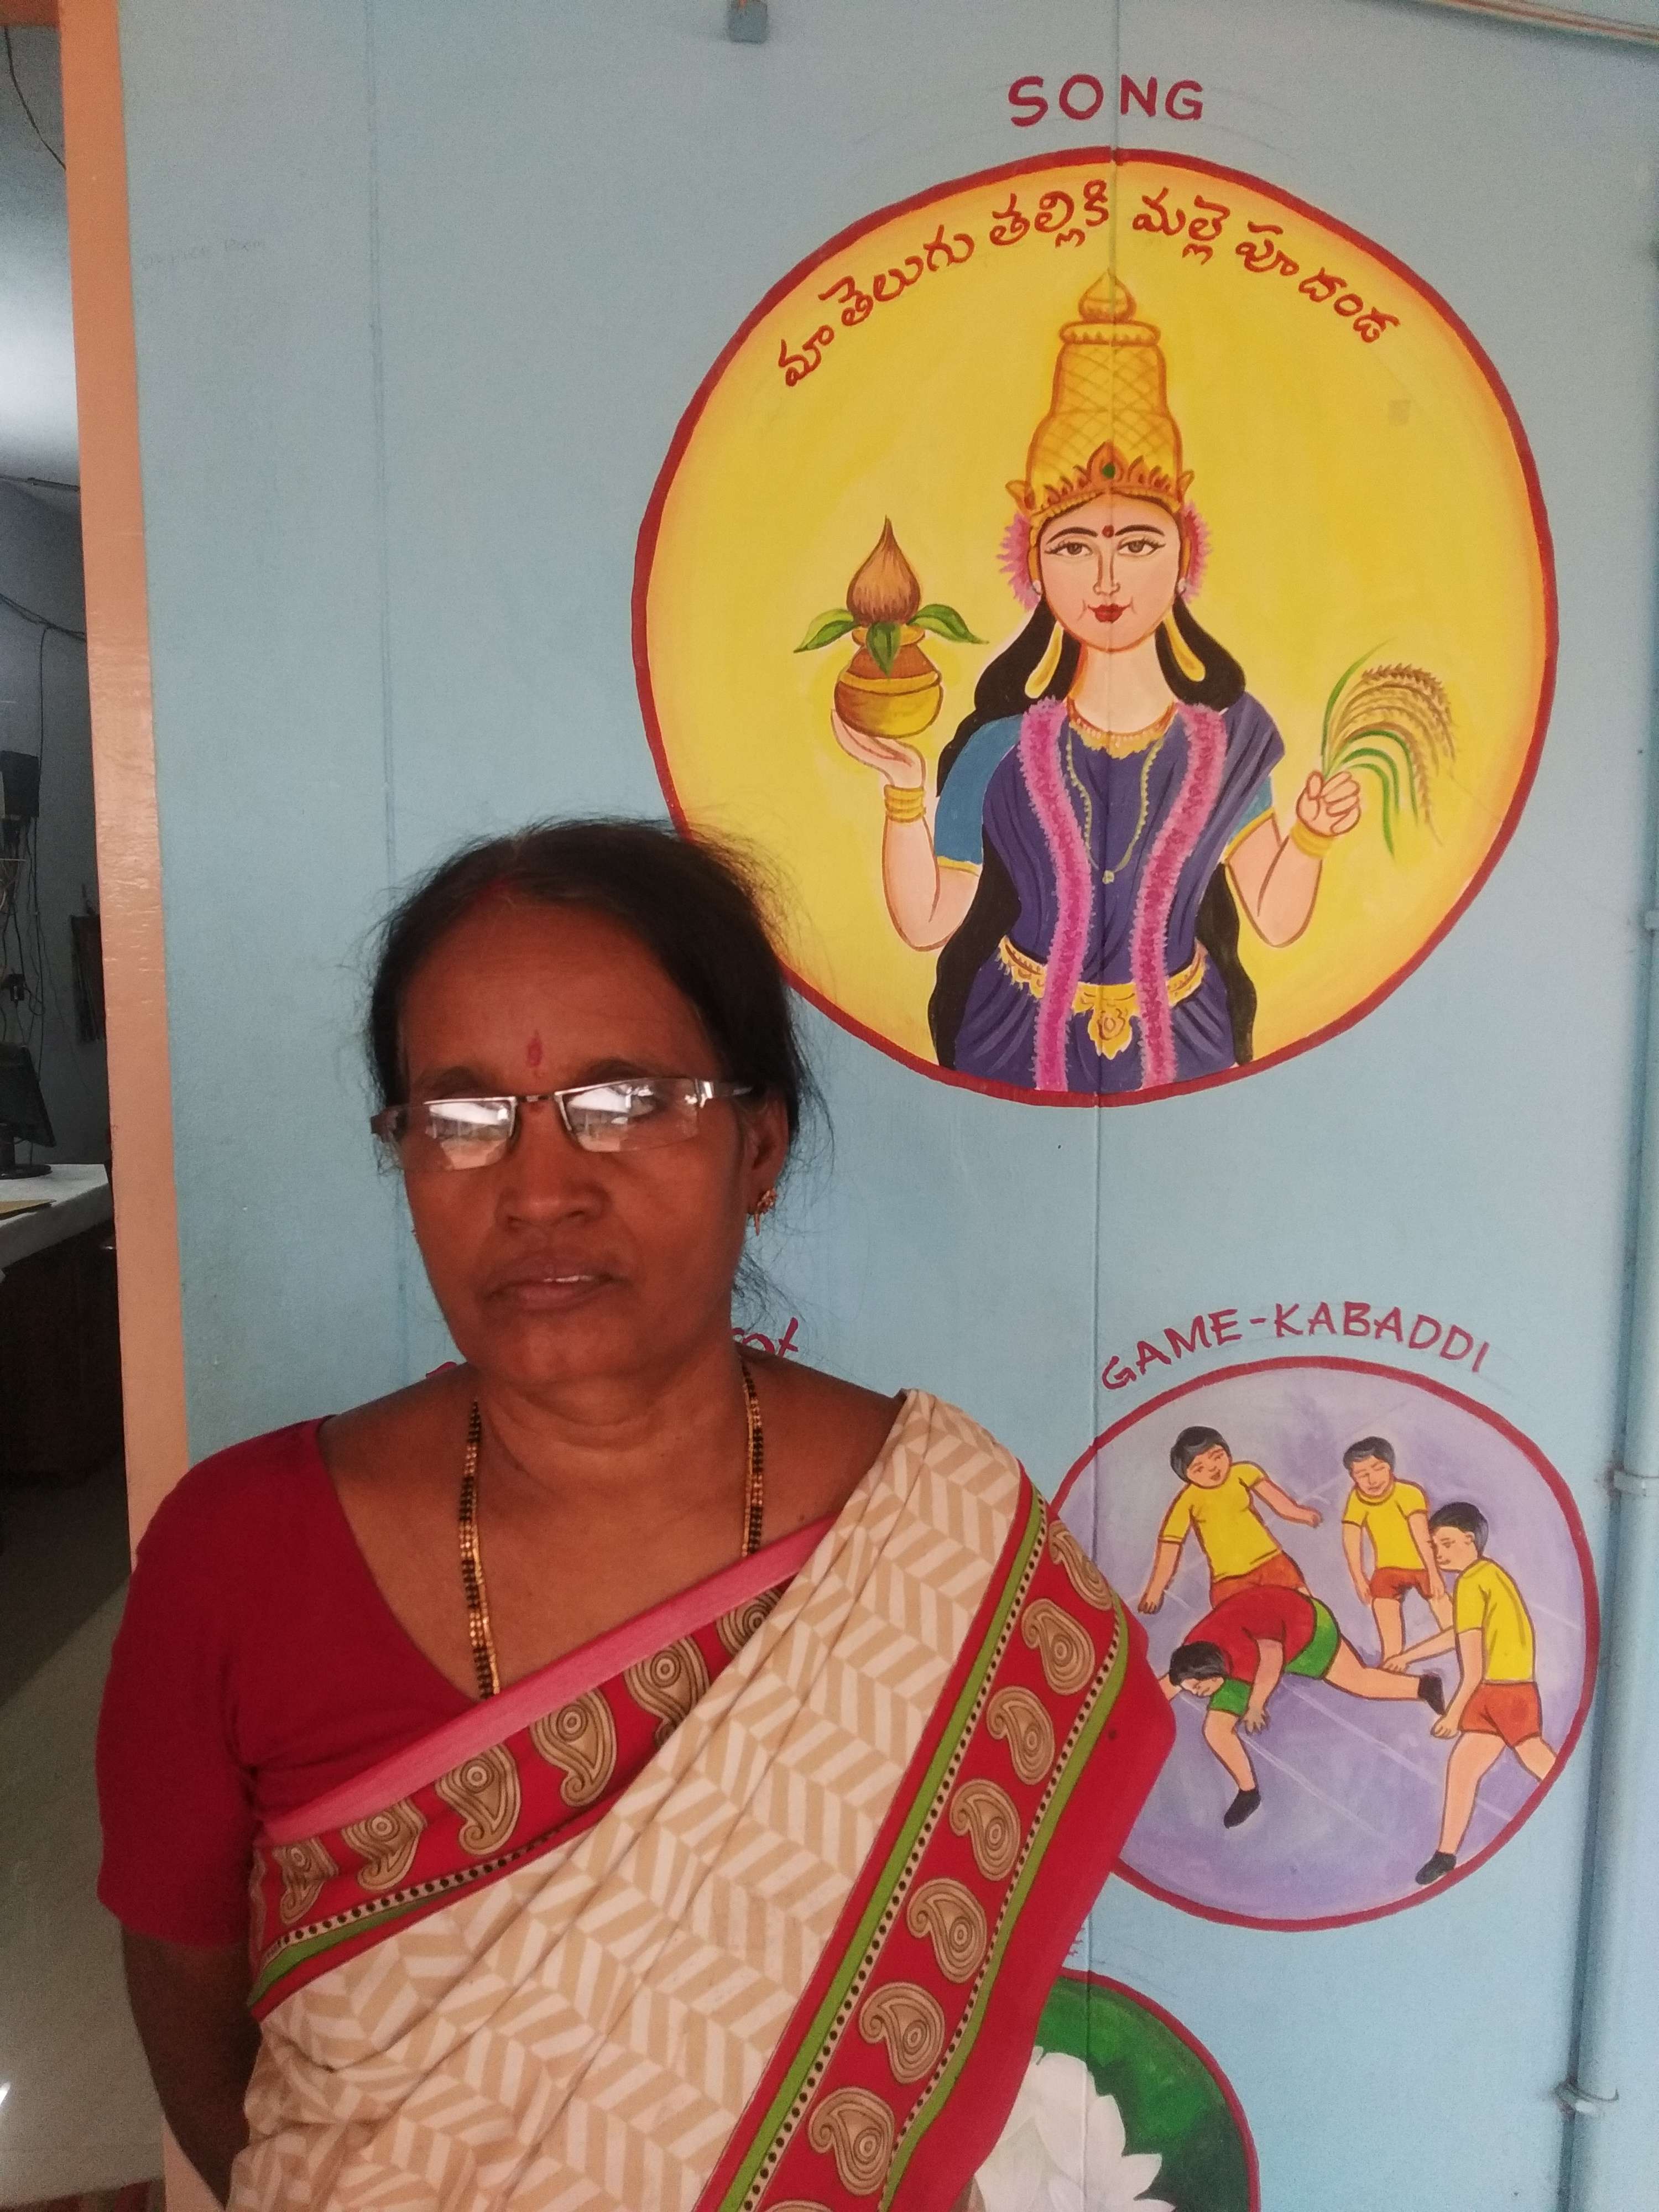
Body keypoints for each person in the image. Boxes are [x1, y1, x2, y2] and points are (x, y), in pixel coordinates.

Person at [95, 821, 1173, 2212]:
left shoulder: (936, 1540)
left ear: (760, 1146)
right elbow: (193, 2022)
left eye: (628, 1101)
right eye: (461, 1118)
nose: (540, 1189)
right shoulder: (237, 1554)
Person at [830, 274, 1362, 1095]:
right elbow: (928, 921)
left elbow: (1276, 917)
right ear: (1035, 566)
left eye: (1139, 544)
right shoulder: (998, 748)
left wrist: (1315, 836)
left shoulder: (1231, 741)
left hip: (1188, 1037)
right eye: (1074, 546)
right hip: (1010, 1036)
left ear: (1184, 557)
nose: (1108, 577)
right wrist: (905, 794)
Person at [1161, 1585, 1445, 1829]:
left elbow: (1272, 1659)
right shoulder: (1192, 1659)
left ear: (1213, 1676)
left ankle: (1423, 1687)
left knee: (1359, 1682)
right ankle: (1249, 1792)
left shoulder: (1242, 1652)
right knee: (1216, 1729)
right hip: (1251, 1651)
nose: (1197, 1695)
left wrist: (1256, 1705)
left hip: (1306, 1630)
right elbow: (1170, 1686)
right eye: (1193, 1690)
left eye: (1199, 1689)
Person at [1386, 1501, 1557, 1886]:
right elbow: (1457, 1635)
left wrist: (1452, 1715)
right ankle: (1445, 1854)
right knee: (1463, 1767)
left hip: (1504, 1691)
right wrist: (1407, 1657)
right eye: (1435, 1546)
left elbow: (1473, 1665)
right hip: (1497, 1689)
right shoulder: (1486, 1575)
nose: (1439, 1553)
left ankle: (1579, 1811)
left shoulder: (1472, 1582)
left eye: (1446, 1544)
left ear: (1469, 1540)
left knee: (1541, 1763)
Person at [1137, 1424, 1321, 1615]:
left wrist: (1302, 1514)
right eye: (1199, 1469)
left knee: (1309, 1611)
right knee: (1248, 1627)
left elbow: (1279, 1503)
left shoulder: (1244, 1472)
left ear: (1227, 1452)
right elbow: (1170, 1545)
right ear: (1187, 1476)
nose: (1212, 1468)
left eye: (1217, 1457)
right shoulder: (1187, 1501)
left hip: (1272, 1562)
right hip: (1229, 1581)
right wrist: (1156, 1590)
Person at [1338, 1434, 1452, 1660]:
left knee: (1456, 1629)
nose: (1372, 1480)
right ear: (1353, 1477)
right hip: (1387, 1571)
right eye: (1362, 1475)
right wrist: (1359, 1578)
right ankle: (1393, 1665)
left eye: (1378, 1469)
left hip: (1422, 1566)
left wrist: (1434, 1573)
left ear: (1390, 1467)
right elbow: (1351, 1537)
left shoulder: (1408, 1493)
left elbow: (1422, 1536)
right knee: (1390, 1648)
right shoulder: (1357, 1499)